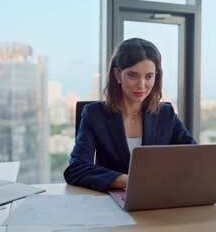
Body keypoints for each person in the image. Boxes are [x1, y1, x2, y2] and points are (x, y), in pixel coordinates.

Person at [64, 38, 196, 192]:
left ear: (156, 76)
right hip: (112, 202)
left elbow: (194, 157)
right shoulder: (94, 115)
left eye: (148, 76)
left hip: (158, 198)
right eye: (133, 76)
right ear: (117, 75)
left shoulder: (166, 114)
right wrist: (122, 180)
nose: (141, 85)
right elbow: (76, 168)